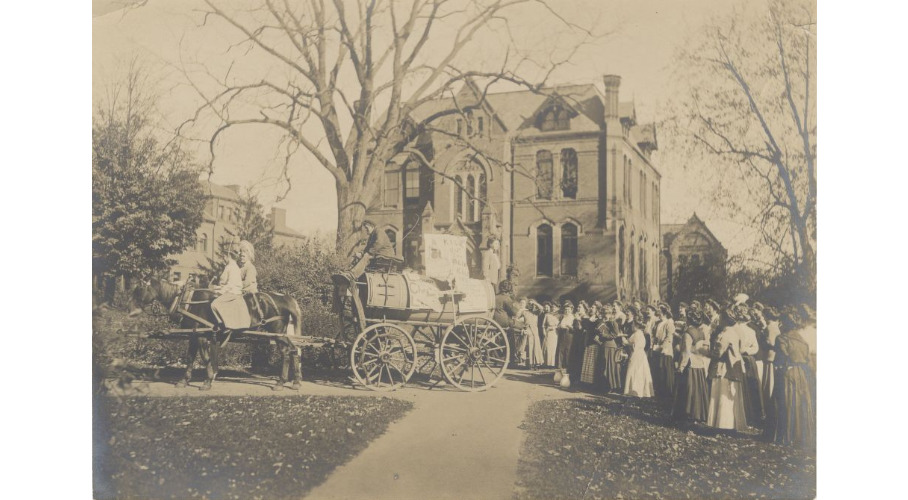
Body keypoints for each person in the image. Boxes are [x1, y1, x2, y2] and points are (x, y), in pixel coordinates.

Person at [764, 308, 815, 449]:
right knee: (799, 403)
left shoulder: (782, 338)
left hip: (787, 372)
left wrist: (779, 365)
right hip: (801, 374)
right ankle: (798, 435)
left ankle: (784, 435)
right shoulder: (802, 340)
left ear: (785, 323)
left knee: (785, 402)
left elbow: (781, 357)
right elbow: (807, 359)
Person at [706, 306, 748, 433]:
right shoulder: (735, 333)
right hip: (734, 365)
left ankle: (723, 424)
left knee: (722, 394)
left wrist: (705, 352)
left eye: (721, 317)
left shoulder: (725, 334)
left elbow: (718, 353)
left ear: (725, 319)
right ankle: (729, 423)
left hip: (724, 367)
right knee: (730, 395)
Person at [673, 310, 710, 423]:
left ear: (689, 320)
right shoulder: (701, 332)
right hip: (700, 364)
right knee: (698, 389)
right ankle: (698, 413)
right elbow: (705, 350)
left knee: (688, 390)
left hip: (690, 364)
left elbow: (686, 352)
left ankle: (686, 414)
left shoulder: (687, 333)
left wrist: (681, 367)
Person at [211, 244, 251, 331]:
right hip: (230, 291)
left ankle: (223, 325)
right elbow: (225, 284)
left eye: (223, 257)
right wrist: (216, 288)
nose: (223, 259)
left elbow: (230, 285)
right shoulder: (231, 267)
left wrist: (219, 291)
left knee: (214, 304)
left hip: (233, 293)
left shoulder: (231, 267)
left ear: (227, 256)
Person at [623, 305, 654, 398]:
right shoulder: (639, 333)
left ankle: (635, 390)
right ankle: (637, 390)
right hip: (640, 355)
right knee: (639, 372)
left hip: (636, 355)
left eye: (633, 325)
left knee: (635, 372)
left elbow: (633, 346)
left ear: (636, 325)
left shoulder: (637, 334)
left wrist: (624, 340)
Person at [598, 303, 625, 393]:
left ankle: (611, 386)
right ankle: (604, 386)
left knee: (609, 366)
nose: (604, 315)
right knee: (603, 365)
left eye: (606, 313)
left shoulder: (613, 322)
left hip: (610, 346)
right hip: (603, 345)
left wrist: (604, 335)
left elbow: (615, 334)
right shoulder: (602, 322)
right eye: (603, 313)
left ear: (610, 313)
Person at [653, 304, 677, 401]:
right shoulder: (659, 323)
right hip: (658, 349)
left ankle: (668, 394)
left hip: (665, 351)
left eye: (659, 310)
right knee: (660, 371)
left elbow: (669, 338)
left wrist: (662, 347)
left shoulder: (669, 323)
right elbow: (656, 336)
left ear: (663, 312)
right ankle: (660, 393)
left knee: (666, 371)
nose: (658, 312)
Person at [555, 301, 576, 383]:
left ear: (571, 310)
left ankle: (567, 376)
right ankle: (559, 374)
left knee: (568, 354)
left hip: (569, 336)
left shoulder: (573, 318)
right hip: (562, 336)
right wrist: (559, 327)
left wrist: (569, 327)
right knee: (560, 353)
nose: (567, 311)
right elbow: (559, 325)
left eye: (568, 309)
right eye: (565, 309)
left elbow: (575, 330)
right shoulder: (563, 317)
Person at [542, 302, 560, 367]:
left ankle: (552, 364)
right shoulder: (547, 315)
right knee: (547, 347)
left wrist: (554, 327)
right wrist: (544, 331)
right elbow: (543, 325)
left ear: (558, 308)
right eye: (553, 307)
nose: (553, 308)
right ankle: (545, 363)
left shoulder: (559, 315)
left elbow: (560, 325)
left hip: (555, 333)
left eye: (555, 307)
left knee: (553, 348)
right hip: (548, 332)